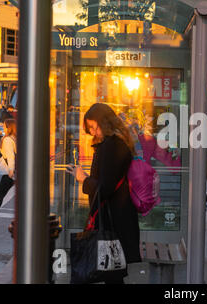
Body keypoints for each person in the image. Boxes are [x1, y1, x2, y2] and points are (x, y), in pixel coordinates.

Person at [66, 103, 141, 284]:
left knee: (112, 274)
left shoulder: (113, 145)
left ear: (104, 123)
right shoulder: (116, 142)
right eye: (89, 128)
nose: (92, 132)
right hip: (116, 218)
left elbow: (105, 188)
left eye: (93, 127)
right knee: (112, 274)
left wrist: (83, 178)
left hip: (112, 221)